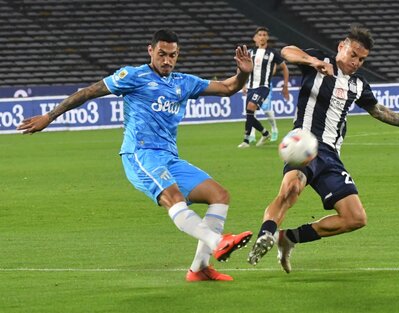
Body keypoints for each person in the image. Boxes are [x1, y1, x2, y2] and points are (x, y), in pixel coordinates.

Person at [17, 29, 254, 282]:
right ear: (150, 51)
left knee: (220, 195)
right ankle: (218, 241)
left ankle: (200, 268)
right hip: (140, 154)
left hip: (169, 157)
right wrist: (49, 117)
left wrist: (244, 73)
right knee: (173, 198)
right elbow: (87, 92)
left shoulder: (184, 82)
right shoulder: (132, 76)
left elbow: (229, 87)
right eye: (161, 54)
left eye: (172, 55)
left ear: (178, 55)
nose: (166, 60)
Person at [247, 24, 399, 272]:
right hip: (303, 142)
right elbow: (287, 51)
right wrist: (313, 61)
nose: (357, 62)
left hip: (330, 156)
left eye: (362, 59)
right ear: (341, 47)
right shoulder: (319, 61)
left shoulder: (358, 84)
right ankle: (267, 234)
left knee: (355, 218)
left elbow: (377, 110)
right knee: (291, 189)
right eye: (353, 55)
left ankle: (289, 238)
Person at [238, 26, 289, 148]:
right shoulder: (250, 53)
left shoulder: (272, 53)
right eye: (260, 35)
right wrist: (242, 83)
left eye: (264, 35)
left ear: (267, 37)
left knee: (251, 107)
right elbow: (241, 67)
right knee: (249, 113)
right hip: (251, 86)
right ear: (255, 38)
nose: (262, 37)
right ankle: (265, 133)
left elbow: (284, 68)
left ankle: (246, 140)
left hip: (263, 86)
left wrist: (285, 85)